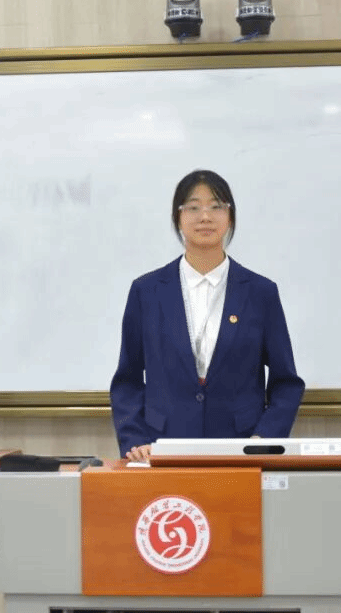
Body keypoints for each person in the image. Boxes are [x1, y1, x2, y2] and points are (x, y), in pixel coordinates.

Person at [109, 170, 306, 462]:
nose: (205, 216)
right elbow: (127, 381)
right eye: (193, 207)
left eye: (216, 206)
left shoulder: (260, 292)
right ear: (178, 217)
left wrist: (264, 439)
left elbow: (286, 383)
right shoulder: (147, 291)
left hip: (240, 451)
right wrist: (136, 440)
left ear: (230, 217)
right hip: (162, 448)